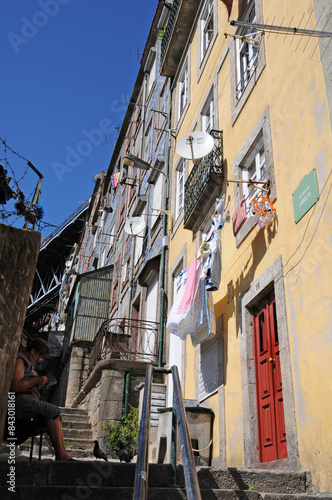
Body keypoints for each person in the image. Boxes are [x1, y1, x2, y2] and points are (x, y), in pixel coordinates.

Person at [10, 337, 75, 461]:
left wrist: (39, 385)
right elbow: (15, 386)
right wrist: (36, 380)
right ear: (33, 351)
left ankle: (63, 453)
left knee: (56, 415)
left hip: (29, 400)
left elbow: (26, 383)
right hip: (21, 403)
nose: (39, 360)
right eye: (39, 356)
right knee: (52, 411)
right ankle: (61, 455)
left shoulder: (29, 363)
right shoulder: (21, 360)